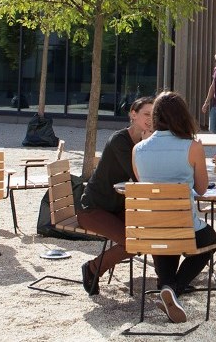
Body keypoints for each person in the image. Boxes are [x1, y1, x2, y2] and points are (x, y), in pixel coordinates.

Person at [133, 91, 216, 324]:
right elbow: (201, 189)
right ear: (183, 116)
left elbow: (143, 184)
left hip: (152, 230)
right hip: (185, 228)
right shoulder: (192, 147)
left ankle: (168, 287)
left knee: (165, 236)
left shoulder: (138, 149)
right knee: (210, 240)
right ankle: (175, 289)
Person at [77, 96, 154, 297]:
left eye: (154, 115)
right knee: (132, 243)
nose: (151, 119)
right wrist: (146, 146)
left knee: (153, 231)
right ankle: (93, 268)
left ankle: (169, 282)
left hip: (117, 208)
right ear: (133, 114)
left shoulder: (147, 141)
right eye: (146, 114)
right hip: (93, 208)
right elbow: (140, 175)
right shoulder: (120, 141)